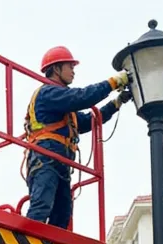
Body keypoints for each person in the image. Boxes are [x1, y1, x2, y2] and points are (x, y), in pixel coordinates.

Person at [24, 46, 132, 229]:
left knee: (62, 214)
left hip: (60, 162)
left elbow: (88, 121)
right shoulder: (48, 93)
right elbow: (82, 97)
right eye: (70, 67)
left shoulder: (64, 107)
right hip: (46, 158)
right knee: (42, 206)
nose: (73, 72)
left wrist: (116, 103)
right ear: (56, 69)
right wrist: (114, 82)